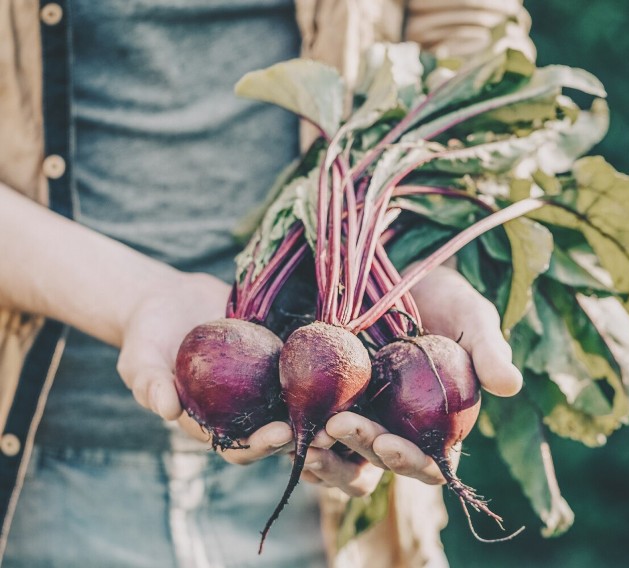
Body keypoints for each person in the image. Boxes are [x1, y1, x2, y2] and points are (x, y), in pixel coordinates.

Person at [0, 1, 535, 566]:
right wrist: (136, 300)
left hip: (325, 516)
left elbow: (464, 24)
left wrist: (418, 258)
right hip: (35, 473)